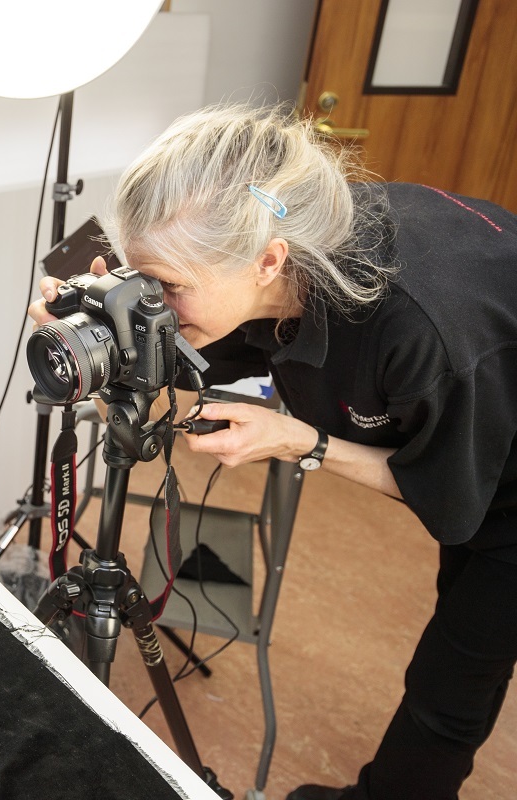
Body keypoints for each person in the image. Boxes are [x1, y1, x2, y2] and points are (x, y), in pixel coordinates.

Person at [27, 103, 517, 800]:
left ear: (267, 262)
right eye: (144, 281)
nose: (155, 303)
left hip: (503, 456)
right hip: (477, 395)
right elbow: (195, 343)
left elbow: (443, 491)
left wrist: (305, 441)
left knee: (455, 672)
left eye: (168, 287)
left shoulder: (420, 337)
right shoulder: (284, 234)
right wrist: (98, 323)